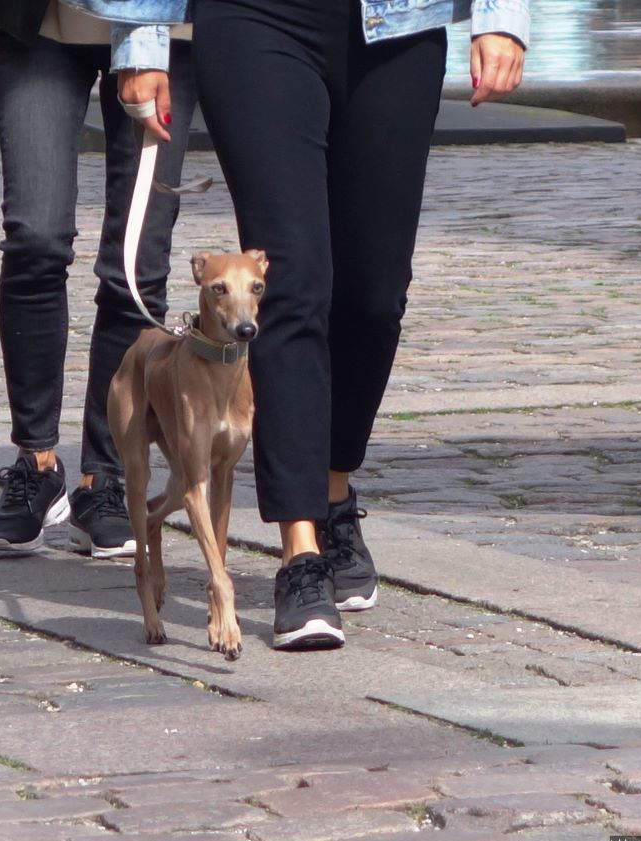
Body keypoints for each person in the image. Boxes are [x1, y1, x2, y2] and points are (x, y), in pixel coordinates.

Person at [108, 0, 529, 649]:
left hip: (400, 26)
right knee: (294, 285)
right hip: (253, 20)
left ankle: (333, 491)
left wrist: (502, 15)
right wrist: (141, 36)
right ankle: (299, 552)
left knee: (372, 295)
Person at [0, 0, 195, 557]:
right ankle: (37, 464)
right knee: (34, 238)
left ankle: (105, 477)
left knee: (137, 264)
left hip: (167, 27)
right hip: (36, 20)